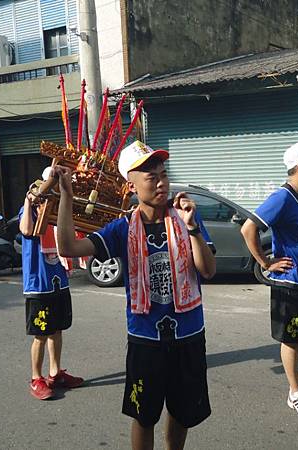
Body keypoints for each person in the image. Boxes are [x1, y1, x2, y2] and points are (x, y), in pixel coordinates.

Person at [55, 141, 216, 450]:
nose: (161, 182)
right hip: (145, 339)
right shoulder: (121, 229)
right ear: (131, 183)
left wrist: (193, 228)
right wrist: (65, 196)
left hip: (189, 335)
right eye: (151, 177)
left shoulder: (185, 218)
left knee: (183, 412)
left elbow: (207, 270)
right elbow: (68, 249)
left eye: (163, 174)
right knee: (144, 415)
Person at [240, 140, 298, 418]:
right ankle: (294, 393)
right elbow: (248, 229)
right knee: (292, 339)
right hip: (291, 283)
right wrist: (266, 262)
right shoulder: (282, 197)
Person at [19, 186, 84, 400]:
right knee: (41, 334)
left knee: (57, 330)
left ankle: (55, 373)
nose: (47, 197)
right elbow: (27, 230)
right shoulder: (31, 212)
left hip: (59, 282)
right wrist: (28, 202)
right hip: (39, 284)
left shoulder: (58, 214)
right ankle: (36, 378)